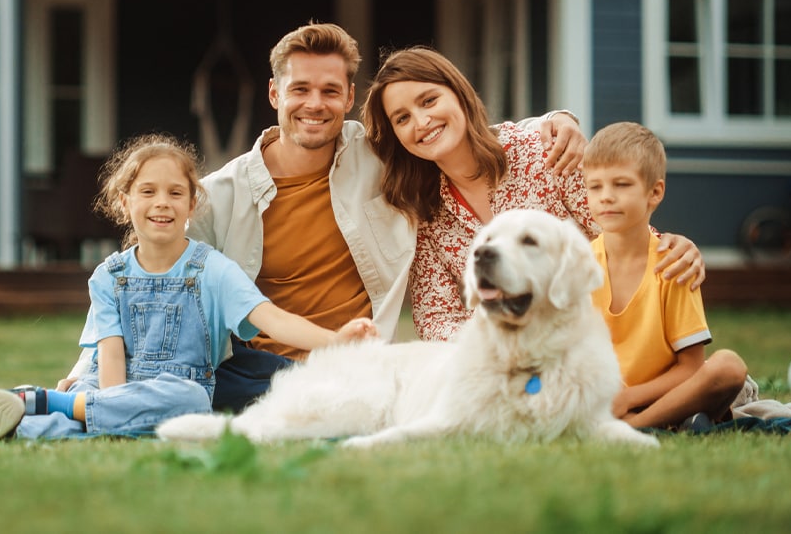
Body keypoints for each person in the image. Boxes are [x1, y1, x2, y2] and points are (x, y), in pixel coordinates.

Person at [183, 22, 588, 411]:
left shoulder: (381, 157)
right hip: (261, 372)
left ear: (348, 98)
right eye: (300, 89)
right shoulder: (219, 197)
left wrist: (552, 122)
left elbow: (454, 135)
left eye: (330, 90)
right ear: (274, 93)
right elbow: (168, 276)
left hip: (363, 368)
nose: (314, 104)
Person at [0, 133, 376, 443]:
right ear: (124, 200)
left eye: (175, 193)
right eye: (148, 192)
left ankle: (17, 413)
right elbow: (109, 355)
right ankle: (36, 407)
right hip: (106, 385)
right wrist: (113, 407)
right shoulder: (109, 276)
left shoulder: (212, 269)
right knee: (147, 412)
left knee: (192, 400)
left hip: (173, 387)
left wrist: (336, 340)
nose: (162, 204)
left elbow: (271, 318)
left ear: (194, 203)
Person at [361, 46, 706, 342]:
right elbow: (436, 317)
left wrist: (666, 246)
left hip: (602, 328)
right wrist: (504, 342)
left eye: (429, 100)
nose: (421, 121)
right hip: (507, 358)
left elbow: (618, 234)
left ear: (459, 94)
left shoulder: (542, 152)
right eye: (402, 118)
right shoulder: (421, 210)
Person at [584, 122, 747, 429]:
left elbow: (691, 368)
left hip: (660, 395)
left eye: (621, 184)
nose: (606, 196)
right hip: (597, 396)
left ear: (654, 192)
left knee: (728, 367)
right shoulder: (579, 266)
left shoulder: (674, 264)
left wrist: (629, 399)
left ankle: (634, 427)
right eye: (595, 186)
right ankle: (668, 422)